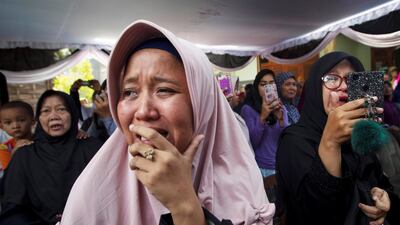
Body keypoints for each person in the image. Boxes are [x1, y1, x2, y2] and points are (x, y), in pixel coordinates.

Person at [59, 20, 274, 225]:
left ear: (201, 102)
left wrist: (184, 206)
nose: (143, 111)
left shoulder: (241, 184)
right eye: (129, 92)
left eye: (164, 90)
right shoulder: (95, 193)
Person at [276, 52, 398, 225]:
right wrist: (330, 142)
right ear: (315, 89)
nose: (344, 87)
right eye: (332, 79)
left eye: (351, 79)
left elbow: (381, 182)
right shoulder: (294, 141)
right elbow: (312, 214)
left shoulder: (359, 134)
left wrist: (384, 199)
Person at [0, 90, 103, 225]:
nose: (54, 116)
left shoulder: (94, 149)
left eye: (61, 109)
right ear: (38, 118)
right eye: (46, 111)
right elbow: (13, 210)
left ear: (73, 114)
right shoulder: (23, 156)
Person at [241, 69, 288, 177]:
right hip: (260, 168)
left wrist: (281, 121)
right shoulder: (248, 109)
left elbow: (286, 139)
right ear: (256, 88)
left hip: (280, 166)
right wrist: (262, 117)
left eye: (272, 83)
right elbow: (252, 143)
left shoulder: (281, 108)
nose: (268, 88)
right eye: (263, 84)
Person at [0, 101, 35, 168]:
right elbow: (9, 174)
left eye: (21, 120)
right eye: (8, 122)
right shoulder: (4, 148)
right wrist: (15, 153)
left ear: (33, 121)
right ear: (2, 127)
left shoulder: (42, 140)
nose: (15, 126)